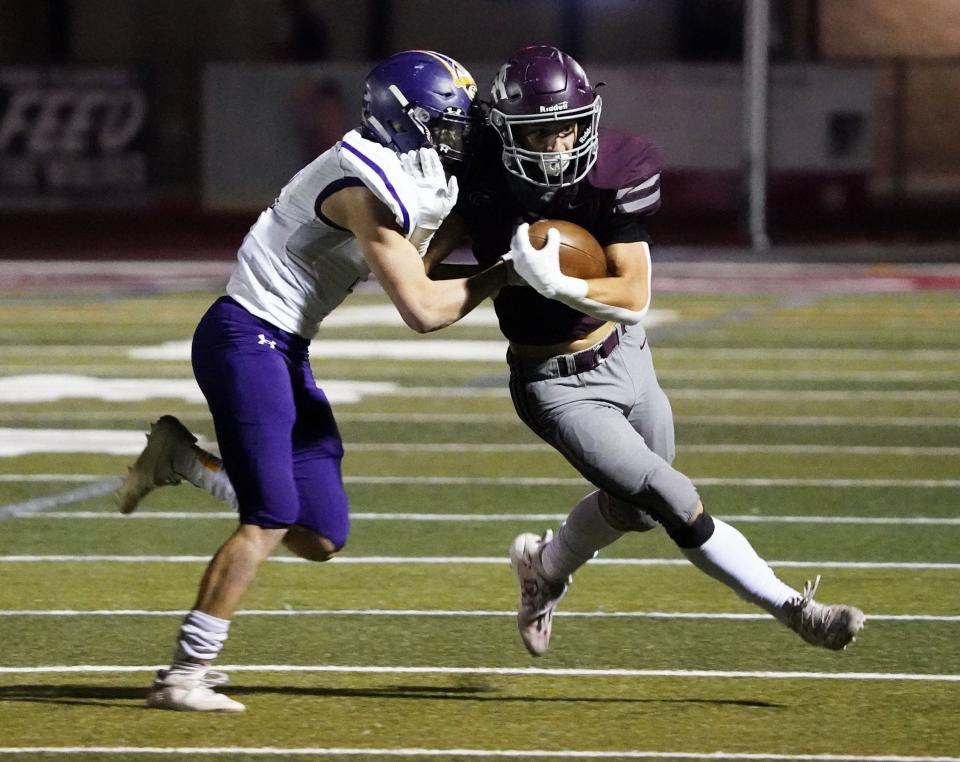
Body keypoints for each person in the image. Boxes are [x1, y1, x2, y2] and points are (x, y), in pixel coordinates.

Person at [422, 45, 865, 657]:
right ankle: (795, 608)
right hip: (554, 383)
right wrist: (499, 274)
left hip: (625, 349)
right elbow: (415, 279)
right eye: (540, 132)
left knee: (640, 511)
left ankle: (543, 568)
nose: (557, 146)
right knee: (673, 496)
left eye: (567, 128)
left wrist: (556, 282)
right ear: (505, 132)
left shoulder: (616, 168)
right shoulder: (480, 179)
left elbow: (632, 294)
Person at [115, 50, 507, 712]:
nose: (458, 134)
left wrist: (478, 227)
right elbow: (423, 310)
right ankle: (183, 671)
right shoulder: (364, 182)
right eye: (447, 122)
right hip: (245, 339)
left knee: (323, 535)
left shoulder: (409, 167)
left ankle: (183, 459)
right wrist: (509, 271)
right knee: (269, 518)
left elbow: (413, 267)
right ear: (406, 121)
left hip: (282, 348)